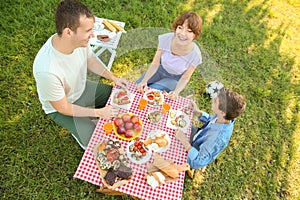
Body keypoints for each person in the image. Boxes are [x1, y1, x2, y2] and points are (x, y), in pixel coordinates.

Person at [33, 0, 128, 150]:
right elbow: (62, 107)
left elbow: (90, 60)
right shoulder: (48, 70)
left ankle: (90, 115)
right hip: (62, 106)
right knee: (96, 143)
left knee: (120, 97)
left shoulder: (77, 42)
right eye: (88, 30)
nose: (93, 35)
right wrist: (98, 112)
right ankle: (83, 129)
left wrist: (113, 78)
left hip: (82, 88)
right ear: (68, 32)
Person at [175, 87, 246, 177]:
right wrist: (198, 112)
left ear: (223, 112)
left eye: (215, 101)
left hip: (195, 154)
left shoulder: (216, 138)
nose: (212, 99)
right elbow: (210, 119)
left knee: (169, 149)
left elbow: (198, 161)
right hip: (199, 138)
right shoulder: (223, 118)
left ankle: (189, 168)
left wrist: (184, 141)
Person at [136, 11, 203, 100]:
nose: (182, 33)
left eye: (189, 31)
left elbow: (185, 78)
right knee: (137, 87)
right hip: (159, 69)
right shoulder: (165, 39)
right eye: (180, 27)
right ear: (175, 28)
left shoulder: (195, 56)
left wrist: (176, 92)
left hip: (174, 79)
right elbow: (155, 63)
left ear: (195, 35)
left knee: (152, 93)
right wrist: (145, 80)